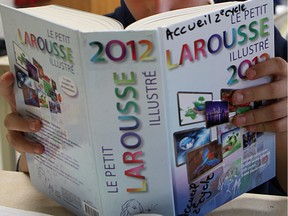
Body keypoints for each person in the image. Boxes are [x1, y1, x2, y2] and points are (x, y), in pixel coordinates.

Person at [0, 0, 287, 195]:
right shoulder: (93, 44)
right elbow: (39, 189)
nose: (159, 8)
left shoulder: (260, 40)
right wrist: (37, 141)